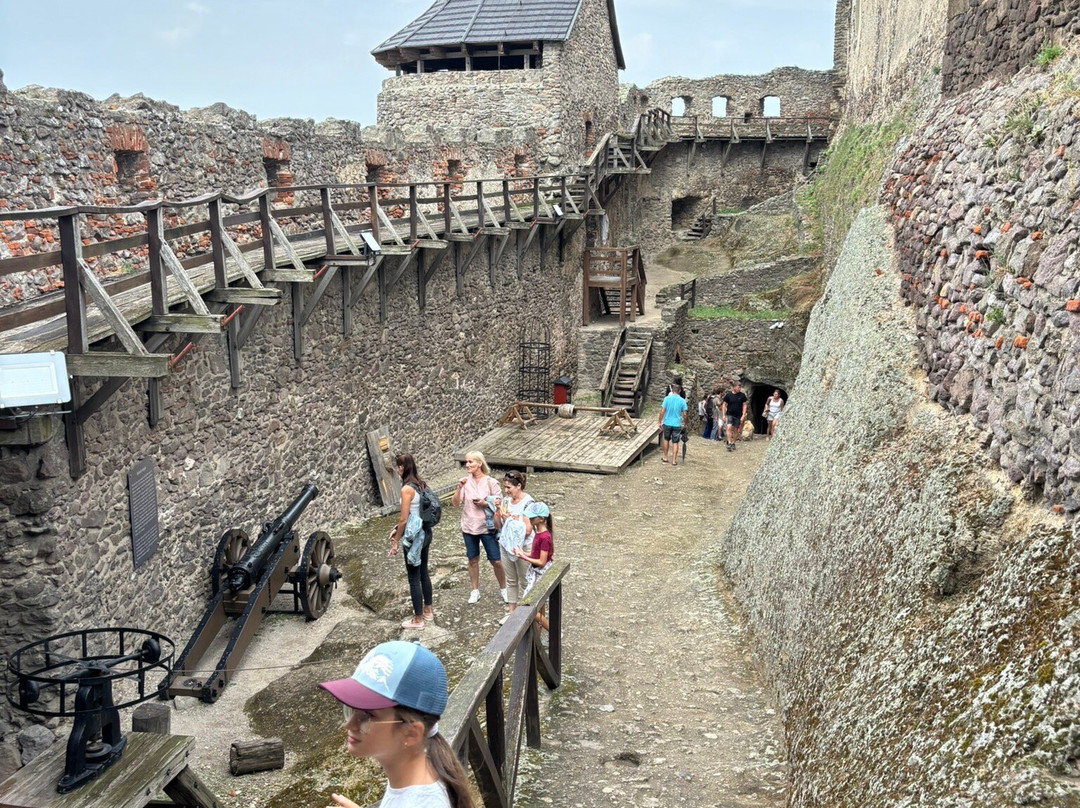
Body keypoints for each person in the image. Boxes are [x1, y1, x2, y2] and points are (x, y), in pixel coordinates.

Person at [319, 641, 475, 808]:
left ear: (411, 733)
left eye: (366, 716)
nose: (349, 725)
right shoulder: (413, 774)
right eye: (350, 709)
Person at [451, 451, 507, 605]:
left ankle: (504, 589)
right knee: (472, 559)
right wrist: (459, 488)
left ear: (480, 463)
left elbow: (501, 503)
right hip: (469, 526)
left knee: (496, 560)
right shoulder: (465, 482)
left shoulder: (491, 482)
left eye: (471, 462)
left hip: (487, 526)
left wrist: (486, 503)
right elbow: (455, 504)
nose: (467, 465)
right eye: (466, 462)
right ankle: (475, 590)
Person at [388, 454, 434, 629]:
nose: (397, 469)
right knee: (424, 573)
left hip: (414, 537)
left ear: (402, 468)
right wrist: (396, 528)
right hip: (425, 532)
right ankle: (428, 610)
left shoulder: (406, 489)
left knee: (414, 578)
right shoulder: (421, 484)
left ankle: (418, 619)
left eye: (398, 466)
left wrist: (396, 542)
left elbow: (404, 519)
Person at [493, 470, 534, 616]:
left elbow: (527, 530)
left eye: (508, 487)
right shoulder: (505, 501)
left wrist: (510, 519)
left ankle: (530, 611)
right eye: (505, 487)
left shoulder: (528, 503)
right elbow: (497, 525)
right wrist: (498, 511)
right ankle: (512, 613)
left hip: (523, 547)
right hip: (506, 545)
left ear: (518, 486)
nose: (506, 491)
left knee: (525, 580)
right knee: (511, 579)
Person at [514, 501, 554, 632]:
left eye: (532, 517)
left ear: (541, 519)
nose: (529, 519)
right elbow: (535, 554)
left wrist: (523, 557)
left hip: (540, 573)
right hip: (535, 571)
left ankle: (553, 631)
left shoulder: (545, 537)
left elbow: (541, 562)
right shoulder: (538, 533)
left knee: (527, 606)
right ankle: (540, 634)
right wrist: (522, 553)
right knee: (539, 606)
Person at [658, 384, 688, 466]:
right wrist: (685, 423)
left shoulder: (667, 399)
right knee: (675, 441)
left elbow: (662, 411)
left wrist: (659, 421)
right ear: (679, 391)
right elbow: (685, 414)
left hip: (667, 422)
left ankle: (665, 457)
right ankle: (674, 460)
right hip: (677, 424)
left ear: (672, 390)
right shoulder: (682, 401)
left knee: (666, 439)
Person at [721, 382, 748, 452]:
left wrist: (743, 415)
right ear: (734, 387)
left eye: (740, 387)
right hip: (729, 414)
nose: (739, 389)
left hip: (738, 415)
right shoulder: (728, 395)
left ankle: (733, 443)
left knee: (736, 430)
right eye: (738, 387)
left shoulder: (742, 395)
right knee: (728, 427)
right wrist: (723, 415)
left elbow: (744, 405)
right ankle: (729, 443)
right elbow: (724, 404)